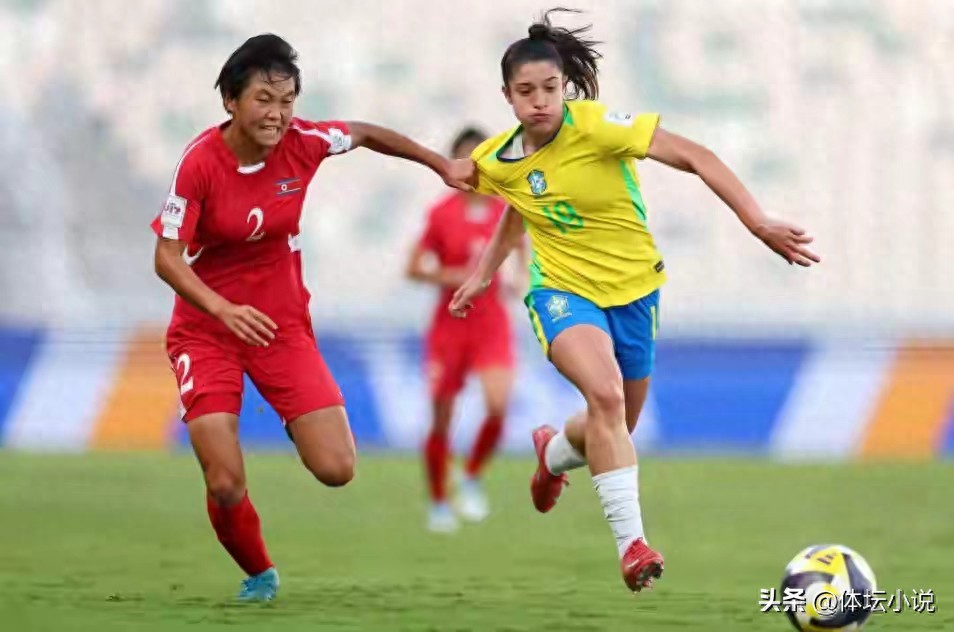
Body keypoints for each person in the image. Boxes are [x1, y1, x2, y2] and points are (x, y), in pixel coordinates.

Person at [449, 9, 820, 594]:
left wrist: (757, 222)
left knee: (615, 421)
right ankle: (633, 547)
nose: (540, 101)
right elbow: (517, 209)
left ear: (564, 87)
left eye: (549, 88)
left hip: (635, 291)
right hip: (562, 293)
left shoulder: (598, 126)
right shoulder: (497, 157)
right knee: (605, 394)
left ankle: (551, 455)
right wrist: (482, 275)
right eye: (526, 92)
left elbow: (696, 155)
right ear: (507, 96)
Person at [151, 33, 471, 602]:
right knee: (224, 481)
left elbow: (369, 134)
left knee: (337, 467)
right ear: (230, 101)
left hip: (280, 327)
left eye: (287, 100)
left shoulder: (306, 141)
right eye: (263, 100)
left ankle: (288, 409)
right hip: (207, 330)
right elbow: (166, 258)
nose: (277, 114)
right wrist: (223, 308)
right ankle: (259, 572)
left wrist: (440, 163)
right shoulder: (199, 163)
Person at [406, 127, 525, 533]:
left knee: (498, 405)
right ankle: (438, 502)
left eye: (481, 156)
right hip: (449, 326)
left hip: (491, 324)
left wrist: (519, 279)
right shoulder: (441, 214)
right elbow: (414, 267)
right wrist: (454, 275)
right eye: (466, 157)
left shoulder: (504, 208)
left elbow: (521, 246)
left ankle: (471, 474)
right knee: (441, 419)